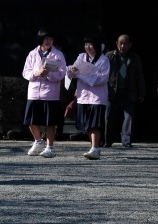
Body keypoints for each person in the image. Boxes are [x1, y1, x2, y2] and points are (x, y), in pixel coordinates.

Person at [22, 28, 67, 158]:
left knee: (50, 122)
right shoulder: (32, 54)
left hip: (50, 94)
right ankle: (38, 141)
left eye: (51, 39)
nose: (48, 41)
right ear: (40, 40)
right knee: (31, 120)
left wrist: (48, 74)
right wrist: (37, 73)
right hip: (34, 92)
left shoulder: (58, 55)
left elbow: (61, 74)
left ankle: (49, 147)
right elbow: (26, 72)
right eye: (46, 39)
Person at [67, 35, 110, 159]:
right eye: (86, 45)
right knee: (86, 124)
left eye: (90, 44)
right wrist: (72, 70)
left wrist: (81, 75)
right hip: (83, 96)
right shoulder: (81, 57)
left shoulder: (103, 60)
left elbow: (102, 78)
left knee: (94, 123)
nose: (88, 47)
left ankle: (95, 148)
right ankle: (94, 147)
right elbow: (71, 74)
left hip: (97, 97)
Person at [105, 33, 145, 148]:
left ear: (130, 45)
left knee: (128, 117)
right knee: (109, 117)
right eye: (121, 43)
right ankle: (107, 140)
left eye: (125, 44)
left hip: (129, 92)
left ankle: (126, 141)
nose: (123, 46)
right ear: (116, 43)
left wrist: (141, 92)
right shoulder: (109, 56)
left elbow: (139, 76)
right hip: (113, 91)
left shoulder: (135, 58)